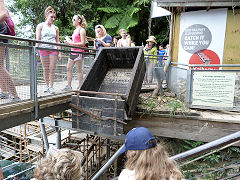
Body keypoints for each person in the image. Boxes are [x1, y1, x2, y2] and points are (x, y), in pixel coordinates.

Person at [118, 127, 183, 180]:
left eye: (128, 150)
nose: (126, 154)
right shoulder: (173, 174)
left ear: (133, 153)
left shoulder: (127, 176)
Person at [36, 6, 61, 94]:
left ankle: (51, 86)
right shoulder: (40, 25)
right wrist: (36, 51)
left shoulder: (56, 28)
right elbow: (38, 38)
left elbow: (57, 41)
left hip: (53, 49)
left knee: (52, 68)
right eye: (51, 17)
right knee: (45, 68)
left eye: (54, 17)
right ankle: (46, 86)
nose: (53, 19)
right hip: (43, 49)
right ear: (47, 16)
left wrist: (60, 52)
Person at [0, 0, 20, 102]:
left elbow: (4, 15)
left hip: (1, 31)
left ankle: (15, 96)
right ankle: (4, 92)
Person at [62, 14, 87, 91]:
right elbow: (74, 41)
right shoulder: (74, 31)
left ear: (79, 20)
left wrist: (71, 43)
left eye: (74, 19)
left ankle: (80, 87)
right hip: (72, 52)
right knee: (68, 68)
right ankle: (69, 85)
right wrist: (68, 42)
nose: (72, 21)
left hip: (79, 52)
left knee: (79, 70)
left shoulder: (82, 30)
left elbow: (82, 43)